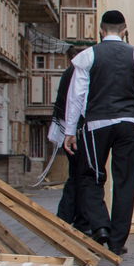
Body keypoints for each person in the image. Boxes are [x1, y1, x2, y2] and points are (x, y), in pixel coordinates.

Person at [62, 10, 134, 256]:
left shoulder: (88, 56)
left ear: (101, 31)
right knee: (125, 181)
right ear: (125, 30)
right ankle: (117, 241)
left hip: (97, 124)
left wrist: (70, 131)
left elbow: (76, 97)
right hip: (129, 123)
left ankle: (100, 225)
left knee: (90, 176)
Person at [49, 62, 93, 238]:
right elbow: (78, 102)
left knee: (76, 175)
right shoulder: (80, 72)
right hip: (77, 131)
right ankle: (75, 220)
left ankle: (67, 218)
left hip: (69, 130)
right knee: (83, 176)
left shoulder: (69, 72)